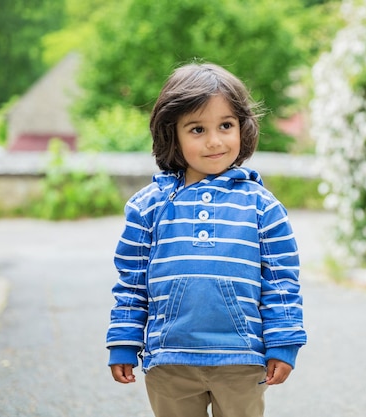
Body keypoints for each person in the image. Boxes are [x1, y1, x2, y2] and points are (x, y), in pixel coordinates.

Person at [106, 62, 307, 417]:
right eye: (197, 129)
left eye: (226, 126)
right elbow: (132, 282)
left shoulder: (263, 207)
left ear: (242, 129)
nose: (215, 140)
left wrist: (284, 342)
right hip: (170, 360)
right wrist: (124, 341)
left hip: (242, 359)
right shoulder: (148, 206)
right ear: (172, 135)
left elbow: (280, 282)